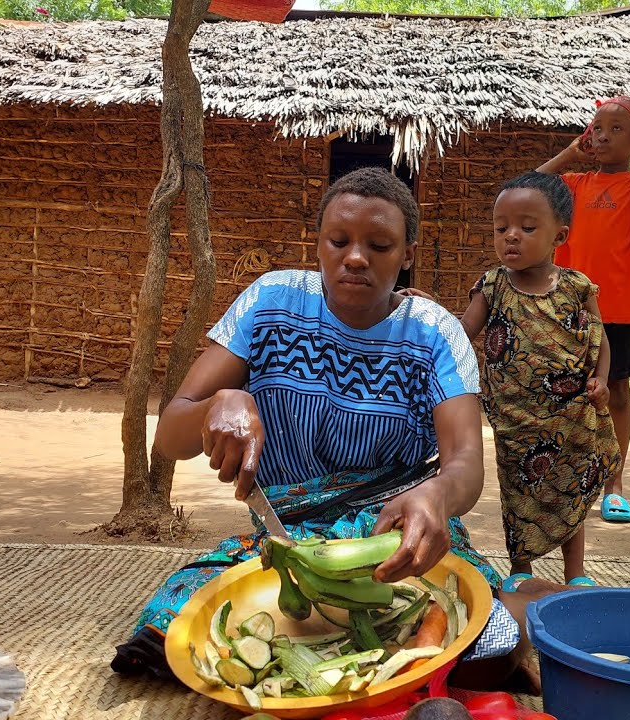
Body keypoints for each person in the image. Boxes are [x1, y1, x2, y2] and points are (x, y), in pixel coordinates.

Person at [110, 167, 564, 690]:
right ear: (319, 244)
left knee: (488, 648)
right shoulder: (270, 303)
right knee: (175, 628)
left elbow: (465, 465)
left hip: (395, 534)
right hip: (289, 537)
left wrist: (437, 495)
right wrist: (219, 402)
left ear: (407, 254)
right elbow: (169, 434)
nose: (355, 257)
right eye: (339, 240)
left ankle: (521, 604)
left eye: (379, 244)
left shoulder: (436, 333)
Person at [458, 171, 620, 591]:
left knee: (569, 492)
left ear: (559, 235)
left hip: (569, 417)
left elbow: (600, 341)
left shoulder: (578, 287)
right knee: (518, 494)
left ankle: (575, 573)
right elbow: (460, 334)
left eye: (527, 228)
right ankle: (521, 570)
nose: (511, 236)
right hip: (515, 418)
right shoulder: (492, 285)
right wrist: (423, 313)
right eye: (501, 228)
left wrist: (601, 381)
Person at [536, 95, 630, 524]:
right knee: (561, 390)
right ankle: (561, 476)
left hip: (621, 307)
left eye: (615, 129)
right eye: (597, 127)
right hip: (569, 306)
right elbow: (526, 186)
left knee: (616, 392)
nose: (601, 136)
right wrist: (569, 153)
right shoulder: (576, 184)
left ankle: (613, 486)